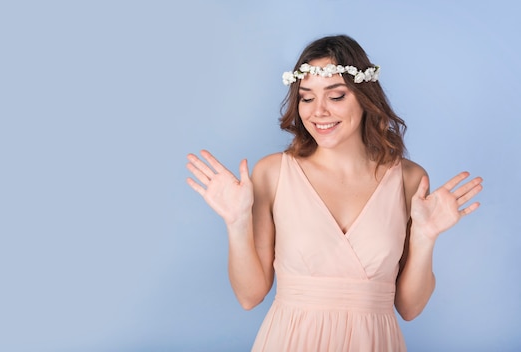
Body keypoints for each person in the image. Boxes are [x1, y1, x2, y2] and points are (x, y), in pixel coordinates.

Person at [185, 34, 483, 352]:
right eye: (306, 97)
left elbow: (410, 309)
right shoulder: (272, 173)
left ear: (365, 97)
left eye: (336, 96)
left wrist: (425, 238)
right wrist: (237, 222)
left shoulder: (409, 179)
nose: (319, 111)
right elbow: (249, 296)